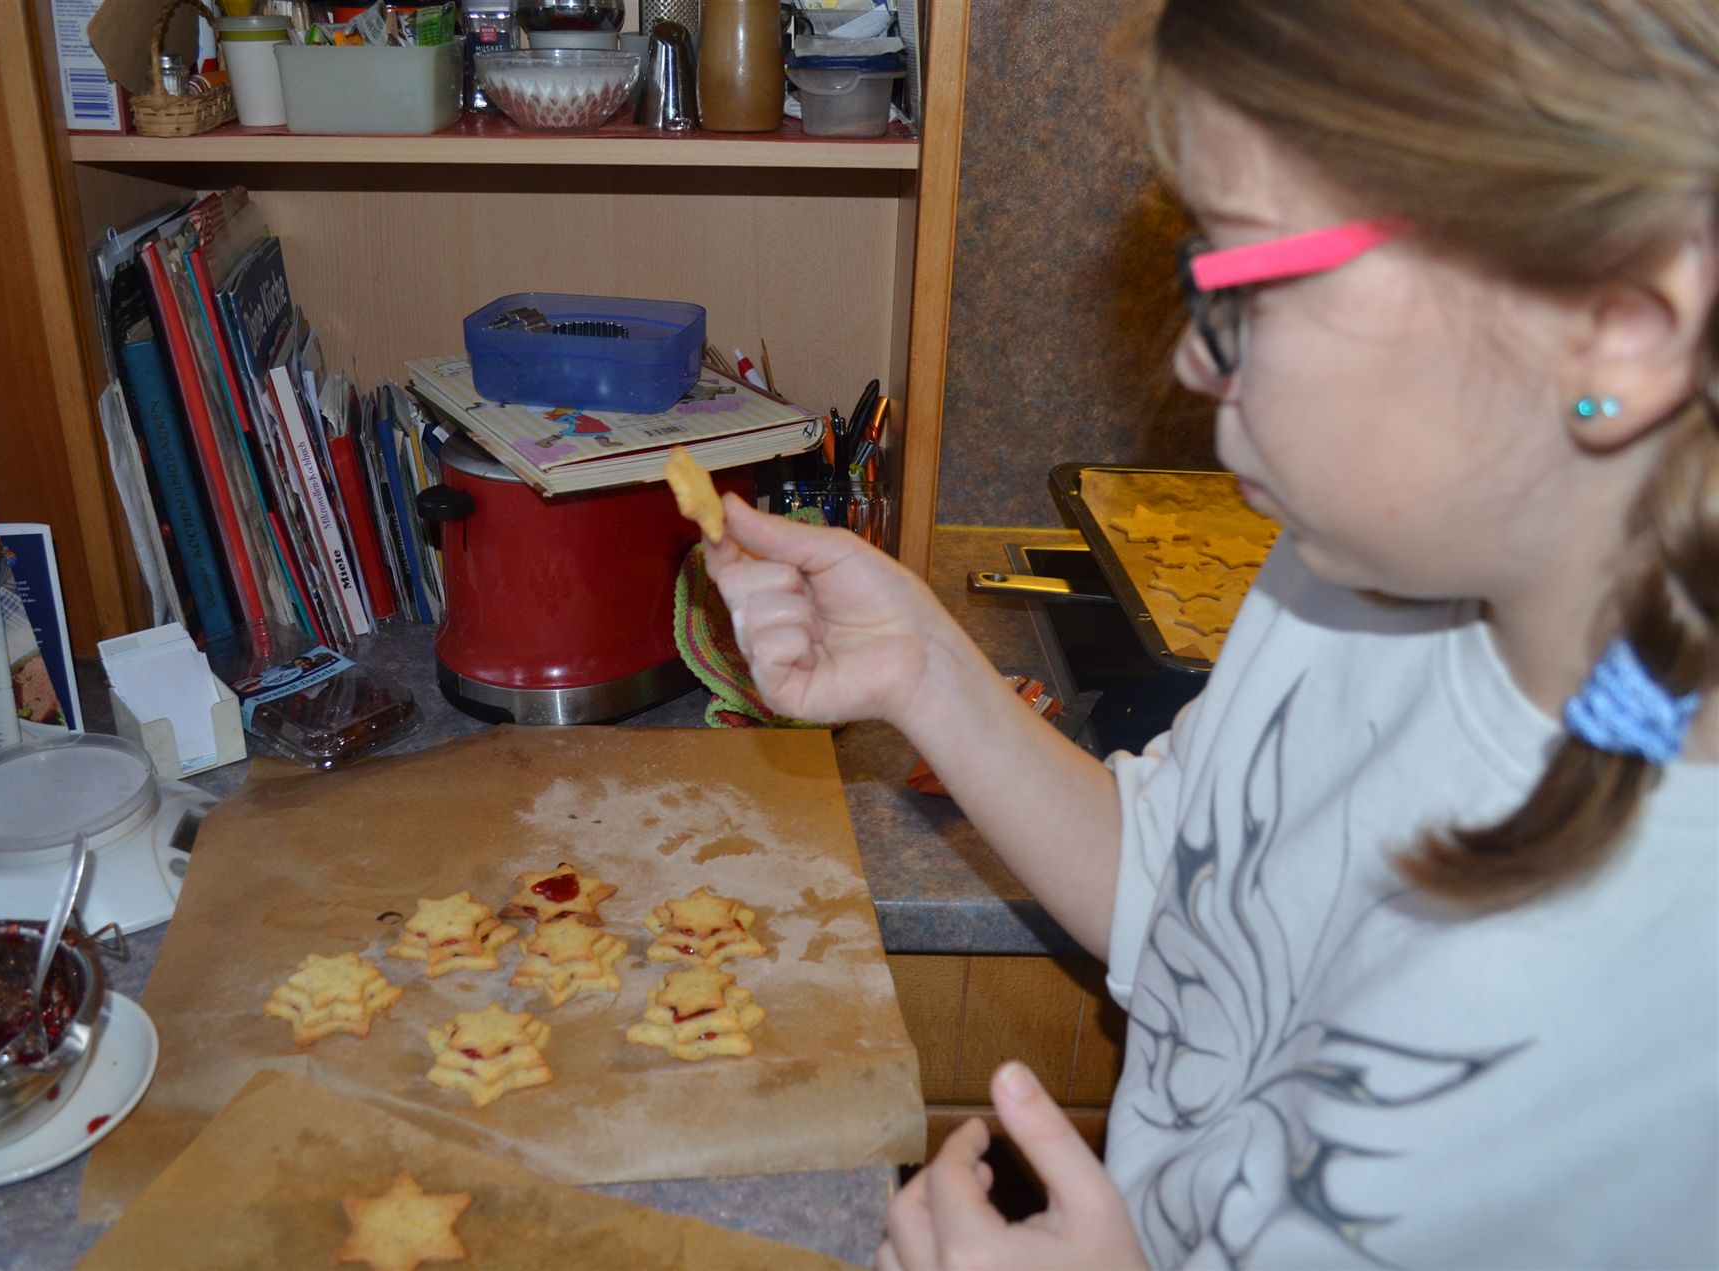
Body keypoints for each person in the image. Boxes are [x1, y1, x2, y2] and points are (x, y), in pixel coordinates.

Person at [703, 2, 1719, 1266]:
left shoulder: (1673, 1014)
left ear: (1622, 327)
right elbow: (1183, 890)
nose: (1192, 358)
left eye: (1252, 279)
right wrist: (926, 669)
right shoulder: (1349, 569)